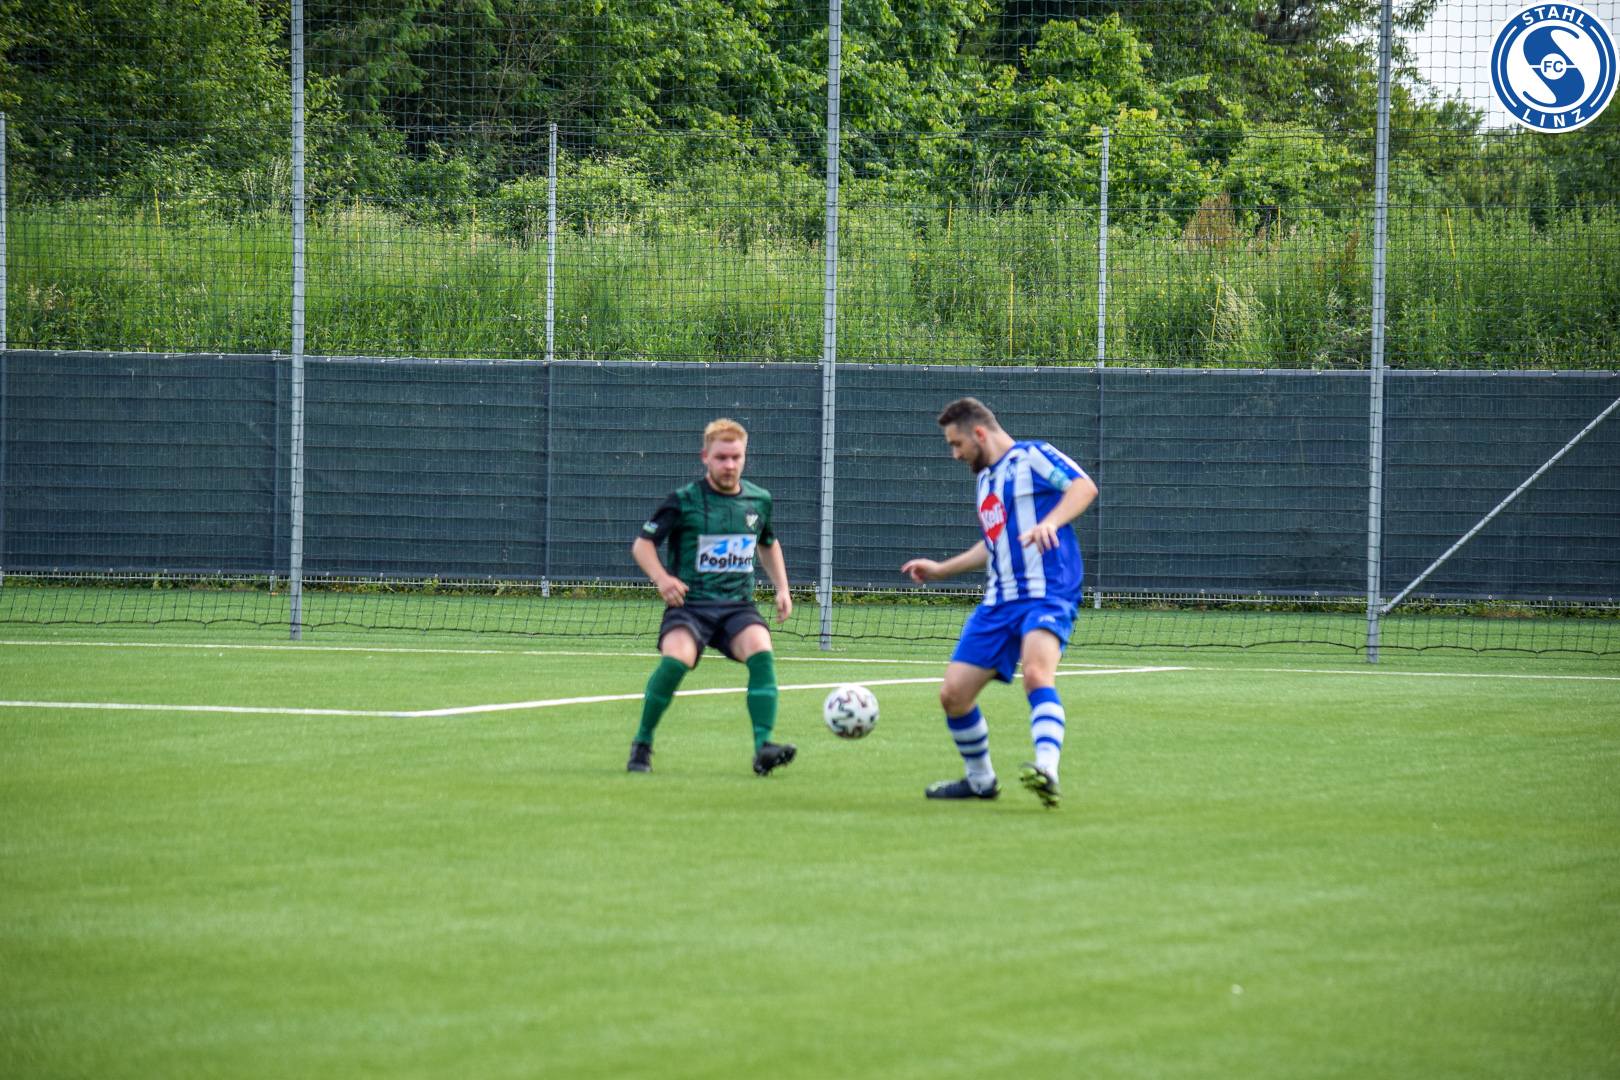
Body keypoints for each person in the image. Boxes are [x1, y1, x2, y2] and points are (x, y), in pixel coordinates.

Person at [900, 397, 1098, 808]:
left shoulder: (1033, 456)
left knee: (1037, 674)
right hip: (999, 602)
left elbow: (1083, 487)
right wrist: (941, 570)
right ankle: (980, 781)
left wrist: (1050, 522)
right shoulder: (986, 481)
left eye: (957, 444)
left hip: (1048, 592)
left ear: (979, 433)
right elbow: (994, 545)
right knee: (953, 695)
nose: (955, 454)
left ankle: (1047, 770)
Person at [627, 418, 797, 777]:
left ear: (745, 456)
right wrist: (662, 579)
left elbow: (767, 543)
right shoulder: (684, 500)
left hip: (737, 607)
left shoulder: (759, 500)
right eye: (721, 457)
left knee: (762, 651)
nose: (729, 465)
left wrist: (782, 588)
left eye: (736, 457)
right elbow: (643, 545)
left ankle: (763, 748)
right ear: (705, 457)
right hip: (690, 607)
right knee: (676, 661)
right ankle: (642, 743)